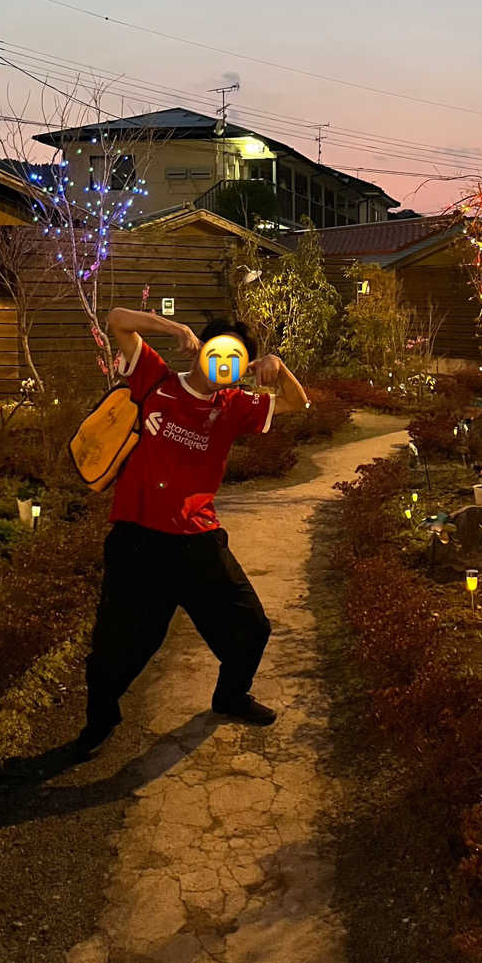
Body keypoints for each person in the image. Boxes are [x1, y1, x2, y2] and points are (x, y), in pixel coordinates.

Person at [73, 306, 308, 760]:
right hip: (137, 539)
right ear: (202, 350)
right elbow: (117, 319)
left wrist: (278, 368)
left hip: (198, 539)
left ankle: (231, 695)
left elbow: (297, 403)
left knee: (252, 626)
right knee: (118, 645)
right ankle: (98, 723)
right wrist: (173, 328)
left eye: (236, 359)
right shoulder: (155, 378)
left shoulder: (234, 405)